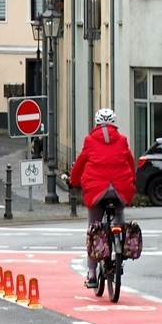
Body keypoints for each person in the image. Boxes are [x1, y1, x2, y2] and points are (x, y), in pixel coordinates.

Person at [68, 108, 136, 288]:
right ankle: (120, 247)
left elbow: (81, 163)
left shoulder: (90, 141)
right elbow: (130, 162)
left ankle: (91, 273)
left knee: (94, 228)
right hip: (120, 188)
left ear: (97, 124)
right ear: (114, 123)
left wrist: (73, 181)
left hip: (97, 190)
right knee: (119, 218)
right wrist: (132, 181)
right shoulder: (122, 140)